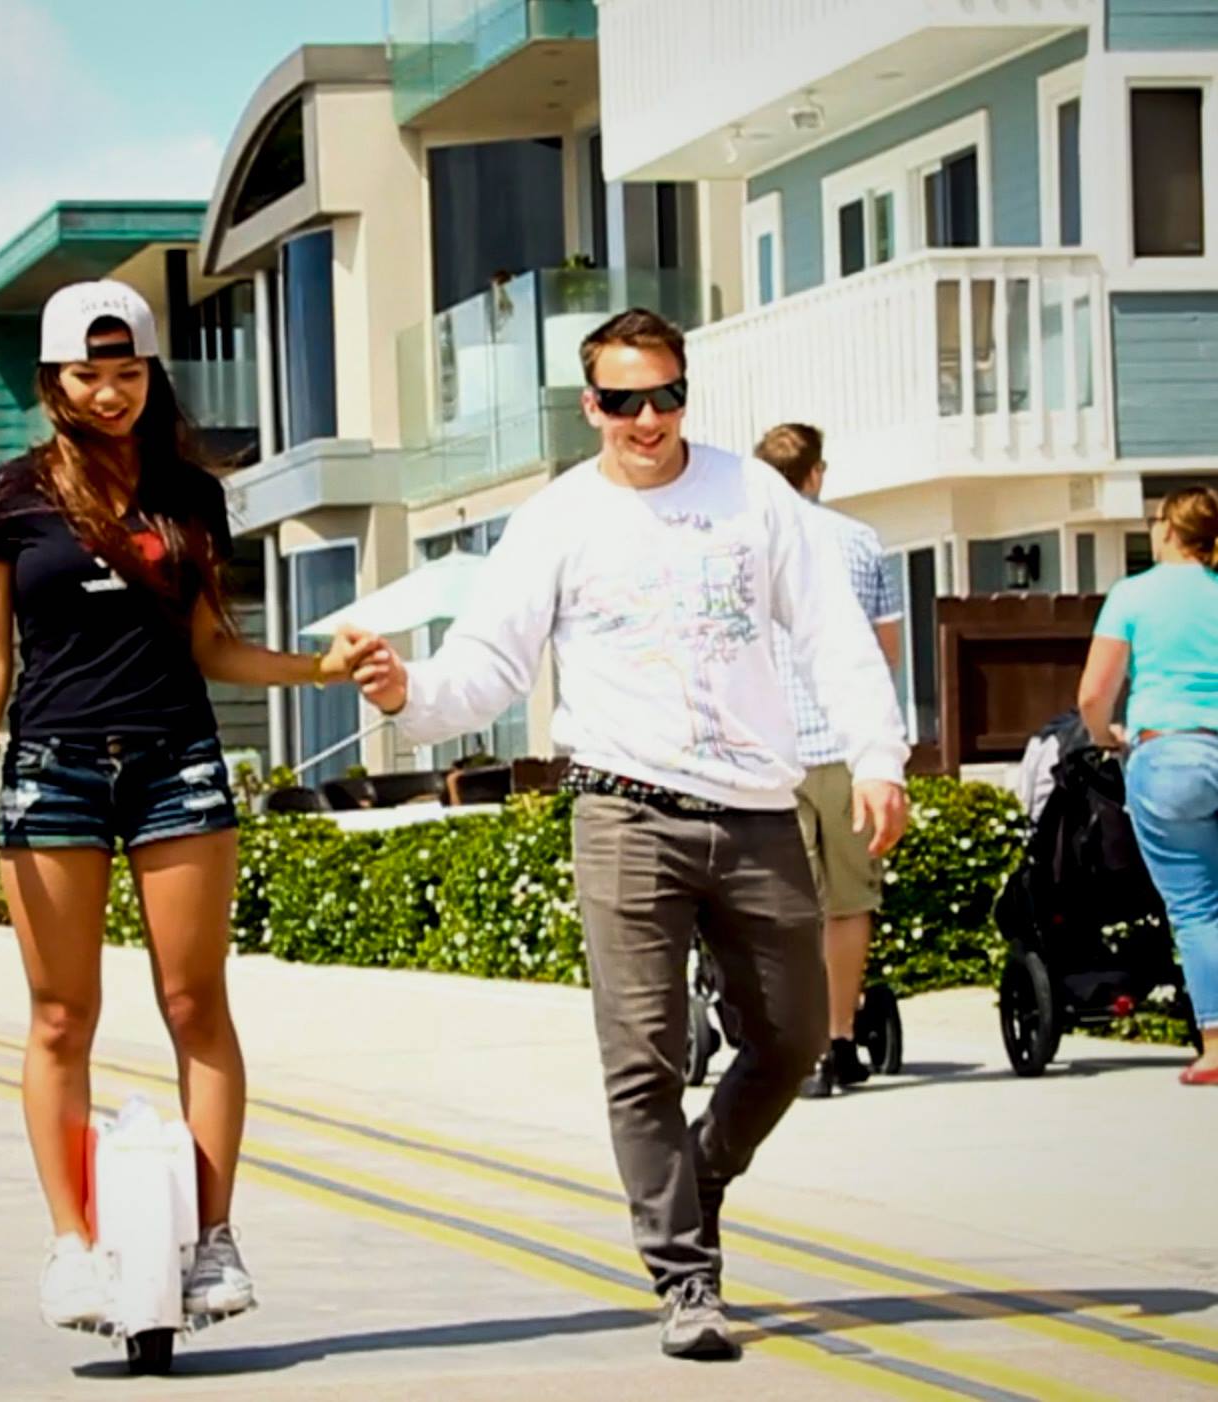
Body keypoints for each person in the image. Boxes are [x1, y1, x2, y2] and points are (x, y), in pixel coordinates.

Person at [352, 308, 908, 1360]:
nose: (646, 420)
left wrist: (878, 757)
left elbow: (833, 635)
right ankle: (685, 1276)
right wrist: (405, 692)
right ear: (590, 405)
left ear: (684, 394)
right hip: (624, 810)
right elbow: (489, 663)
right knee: (643, 1055)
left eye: (665, 397)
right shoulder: (557, 519)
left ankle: (694, 1177)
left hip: (756, 809)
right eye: (622, 401)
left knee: (794, 1037)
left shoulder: (753, 496)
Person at [0, 280, 367, 1332]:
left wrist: (321, 668)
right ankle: (70, 1247)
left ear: (150, 373)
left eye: (128, 372)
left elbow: (214, 646)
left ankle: (214, 1241)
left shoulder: (189, 495)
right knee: (59, 1016)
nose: (111, 393)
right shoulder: (6, 496)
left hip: (177, 761)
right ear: (53, 380)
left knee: (194, 1003)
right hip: (53, 766)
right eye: (89, 374)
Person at [757, 423, 904, 1098]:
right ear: (816, 473)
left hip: (772, 756)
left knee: (791, 910)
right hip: (849, 753)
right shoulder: (859, 541)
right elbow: (885, 654)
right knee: (848, 904)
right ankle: (838, 1040)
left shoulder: (744, 542)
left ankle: (800, 1041)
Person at [1078, 486, 1218, 1086]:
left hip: (1170, 753)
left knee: (1197, 907)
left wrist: (1105, 736)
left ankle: (1217, 1045)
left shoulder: (1133, 595)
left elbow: (1093, 694)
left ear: (1168, 529)